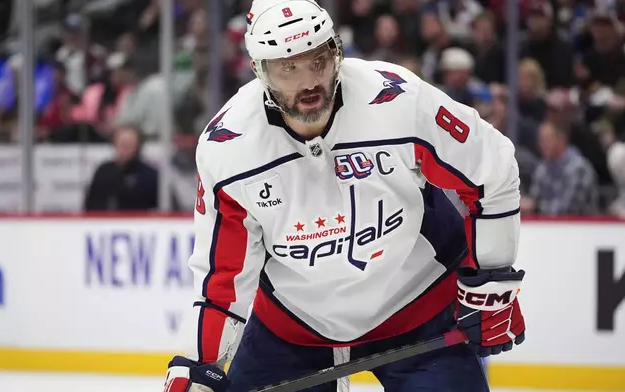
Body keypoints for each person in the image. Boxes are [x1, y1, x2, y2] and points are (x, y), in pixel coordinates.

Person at [164, 1, 526, 391]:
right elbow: (222, 277)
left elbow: (492, 169)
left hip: (419, 312)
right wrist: (197, 364)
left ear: (337, 51)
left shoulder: (398, 101)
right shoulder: (228, 147)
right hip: (295, 330)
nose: (308, 84)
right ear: (259, 72)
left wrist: (490, 281)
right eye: (288, 69)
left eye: (317, 60)